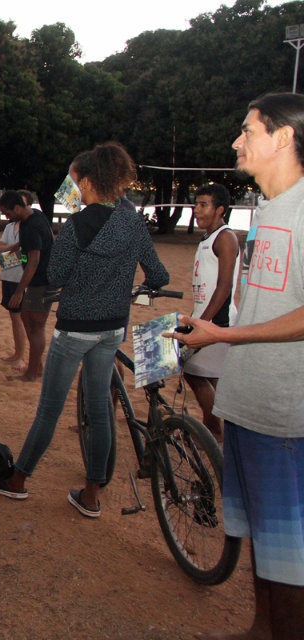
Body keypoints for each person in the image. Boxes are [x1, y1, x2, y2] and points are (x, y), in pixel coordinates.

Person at [172, 93, 304, 640]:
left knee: (289, 548)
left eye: (247, 130)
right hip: (248, 403)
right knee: (259, 537)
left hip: (284, 415)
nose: (236, 141)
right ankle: (260, 627)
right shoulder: (269, 211)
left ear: (282, 138)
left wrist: (222, 333)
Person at [0, 142, 169, 520]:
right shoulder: (131, 221)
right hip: (112, 328)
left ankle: (18, 480)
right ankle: (91, 494)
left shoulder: (76, 226)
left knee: (49, 409)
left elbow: (56, 274)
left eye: (74, 180)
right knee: (100, 411)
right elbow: (159, 274)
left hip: (75, 330)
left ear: (86, 181)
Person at [181, 183, 240, 443]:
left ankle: (214, 429)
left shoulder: (225, 237)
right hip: (206, 317)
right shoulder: (208, 237)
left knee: (193, 371)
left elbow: (225, 286)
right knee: (211, 378)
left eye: (203, 205)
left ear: (220, 210)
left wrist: (203, 323)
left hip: (219, 321)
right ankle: (212, 430)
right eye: (196, 204)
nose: (197, 210)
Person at [0, 190, 55, 382]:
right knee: (26, 318)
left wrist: (19, 291)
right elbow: (37, 243)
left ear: (17, 208)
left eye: (7, 213)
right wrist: (16, 247)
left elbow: (34, 261)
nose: (6, 217)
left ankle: (32, 373)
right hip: (39, 281)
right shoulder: (35, 215)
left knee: (36, 325)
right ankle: (36, 367)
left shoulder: (32, 225)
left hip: (41, 281)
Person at [0, 198, 26, 371]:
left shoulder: (29, 227)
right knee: (14, 316)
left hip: (21, 277)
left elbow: (27, 253)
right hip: (8, 275)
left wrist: (10, 249)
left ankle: (21, 356)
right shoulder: (9, 227)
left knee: (20, 317)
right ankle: (17, 353)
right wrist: (14, 247)